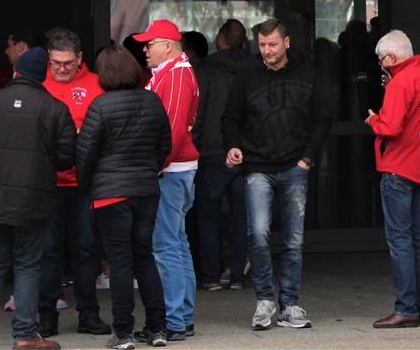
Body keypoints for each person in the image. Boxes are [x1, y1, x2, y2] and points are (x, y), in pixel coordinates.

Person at [222, 19, 332, 331]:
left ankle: (291, 304)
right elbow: (230, 116)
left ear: (286, 42)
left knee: (294, 240)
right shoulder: (246, 76)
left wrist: (307, 158)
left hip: (295, 165)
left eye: (272, 44)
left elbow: (323, 119)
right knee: (257, 234)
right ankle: (265, 299)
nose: (266, 51)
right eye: (261, 45)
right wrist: (232, 145)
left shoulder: (310, 76)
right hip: (257, 166)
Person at [0, 47, 75, 350]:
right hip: (32, 199)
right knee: (27, 265)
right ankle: (25, 335)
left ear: (15, 72)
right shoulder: (54, 108)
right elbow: (67, 158)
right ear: (43, 76)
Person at [75, 46, 173, 350]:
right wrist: (147, 169)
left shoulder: (100, 105)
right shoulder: (153, 100)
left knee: (120, 262)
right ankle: (157, 328)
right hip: (146, 189)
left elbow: (86, 153)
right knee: (144, 256)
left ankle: (123, 332)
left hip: (110, 193)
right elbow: (164, 146)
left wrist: (87, 183)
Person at [365, 31, 420, 329]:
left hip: (399, 168)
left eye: (381, 59)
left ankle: (405, 308)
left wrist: (373, 119)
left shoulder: (401, 82)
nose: (380, 65)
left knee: (400, 241)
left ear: (392, 57)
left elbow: (390, 127)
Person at [37, 29, 109, 337]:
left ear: (79, 58)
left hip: (83, 183)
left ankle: (88, 315)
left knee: (83, 250)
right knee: (48, 251)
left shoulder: (96, 85)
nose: (62, 69)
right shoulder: (38, 86)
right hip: (48, 183)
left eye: (68, 63)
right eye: (56, 63)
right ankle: (47, 316)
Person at [134, 19, 201, 341]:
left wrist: (155, 166)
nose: (145, 49)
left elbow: (172, 130)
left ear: (169, 46)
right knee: (177, 243)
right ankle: (182, 316)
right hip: (177, 169)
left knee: (166, 246)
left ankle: (175, 319)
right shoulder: (174, 72)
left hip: (170, 171)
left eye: (150, 44)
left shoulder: (175, 75)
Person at [193, 19, 250, 292]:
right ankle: (238, 275)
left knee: (208, 214)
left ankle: (211, 276)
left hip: (213, 150)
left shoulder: (207, 70)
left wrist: (193, 144)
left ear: (221, 39)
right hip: (246, 151)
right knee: (241, 215)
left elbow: (200, 112)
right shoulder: (255, 68)